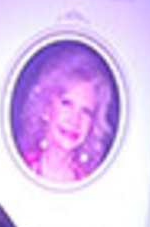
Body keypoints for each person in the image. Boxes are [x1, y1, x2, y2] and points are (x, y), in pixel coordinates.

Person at [10, 41, 121, 188]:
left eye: (86, 111)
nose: (75, 120)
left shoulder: (95, 183)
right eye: (67, 104)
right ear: (46, 108)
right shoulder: (16, 169)